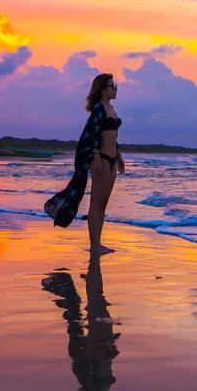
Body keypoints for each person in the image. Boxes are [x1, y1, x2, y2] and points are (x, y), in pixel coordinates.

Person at [44, 73, 125, 255]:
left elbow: (113, 136)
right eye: (113, 86)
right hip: (102, 159)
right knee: (96, 203)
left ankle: (99, 243)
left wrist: (119, 156)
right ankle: (94, 245)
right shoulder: (99, 109)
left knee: (103, 204)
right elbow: (94, 134)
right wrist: (95, 158)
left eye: (116, 86)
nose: (116, 89)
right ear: (103, 89)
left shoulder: (112, 109)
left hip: (112, 160)